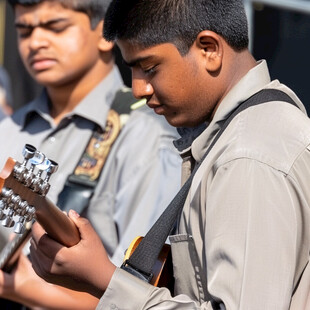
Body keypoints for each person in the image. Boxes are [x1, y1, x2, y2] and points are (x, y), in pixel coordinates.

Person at [29, 0, 310, 309]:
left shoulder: (248, 156)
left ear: (209, 50)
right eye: (132, 69)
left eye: (149, 68)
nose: (138, 89)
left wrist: (105, 280)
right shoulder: (246, 135)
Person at [0, 0, 181, 308]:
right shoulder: (9, 131)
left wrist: (25, 287)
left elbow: (140, 294)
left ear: (104, 32)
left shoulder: (147, 136)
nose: (37, 42)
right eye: (24, 30)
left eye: (55, 27)